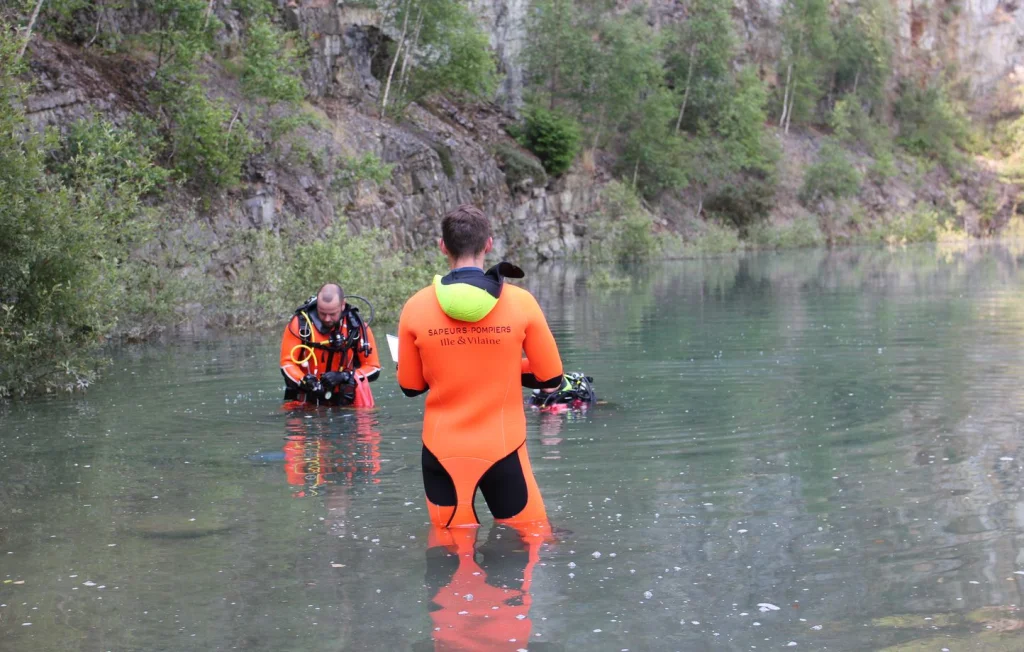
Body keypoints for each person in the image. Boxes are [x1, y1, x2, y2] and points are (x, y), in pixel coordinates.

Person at [397, 204, 564, 529]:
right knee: (530, 541)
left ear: (442, 246)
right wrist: (502, 366)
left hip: (441, 450)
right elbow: (551, 377)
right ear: (489, 244)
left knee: (449, 555)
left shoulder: (416, 307)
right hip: (503, 446)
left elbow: (411, 385)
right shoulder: (520, 302)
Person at [280, 283, 381, 407]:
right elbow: (287, 365)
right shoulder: (300, 325)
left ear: (342, 305)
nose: (327, 319)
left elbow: (373, 369)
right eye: (322, 313)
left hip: (345, 402)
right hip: (305, 402)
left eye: (332, 314)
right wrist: (304, 380)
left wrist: (345, 376)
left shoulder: (356, 327)